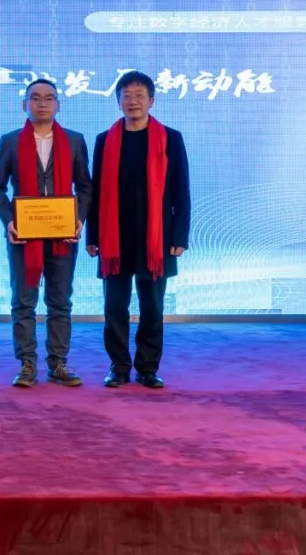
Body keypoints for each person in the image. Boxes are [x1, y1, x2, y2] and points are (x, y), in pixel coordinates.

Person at [87, 70, 191, 389]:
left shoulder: (170, 138)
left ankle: (147, 368)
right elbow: (96, 191)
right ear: (118, 101)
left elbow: (181, 190)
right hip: (115, 237)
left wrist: (180, 236)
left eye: (139, 95)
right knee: (114, 307)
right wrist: (92, 236)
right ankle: (118, 366)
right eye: (127, 96)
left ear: (151, 101)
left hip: (156, 238)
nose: (133, 101)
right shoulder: (104, 140)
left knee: (152, 307)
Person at [0, 79, 92, 388]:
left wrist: (78, 218)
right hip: (24, 235)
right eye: (35, 98)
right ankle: (27, 364)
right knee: (24, 302)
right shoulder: (10, 142)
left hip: (63, 236)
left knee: (60, 302)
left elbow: (84, 186)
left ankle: (58, 363)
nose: (42, 103)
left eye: (49, 98)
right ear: (25, 104)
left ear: (58, 104)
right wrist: (9, 221)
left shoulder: (74, 140)